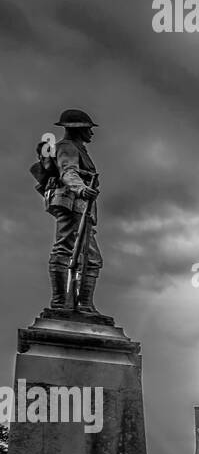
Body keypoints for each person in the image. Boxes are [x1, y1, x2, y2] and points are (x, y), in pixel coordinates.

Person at [45, 108, 102, 312]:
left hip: (77, 204)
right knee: (86, 255)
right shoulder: (67, 147)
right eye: (88, 128)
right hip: (72, 203)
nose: (91, 133)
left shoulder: (76, 148)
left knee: (83, 254)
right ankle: (69, 304)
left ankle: (79, 305)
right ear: (78, 129)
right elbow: (68, 172)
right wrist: (81, 189)